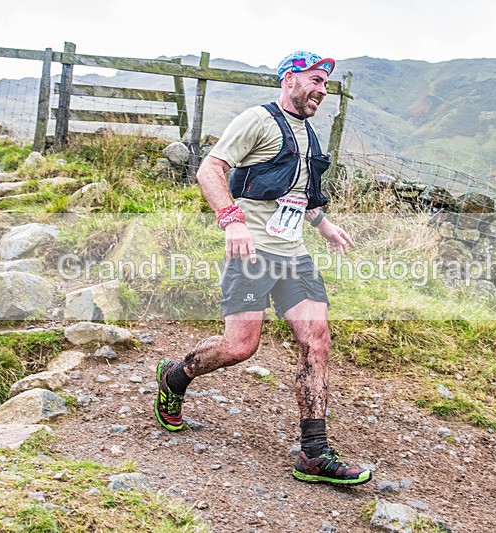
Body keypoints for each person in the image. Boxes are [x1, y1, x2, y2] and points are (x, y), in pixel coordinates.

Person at [154, 51, 372, 486]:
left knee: (317, 339)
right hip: (251, 255)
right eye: (315, 81)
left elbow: (297, 194)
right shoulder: (257, 120)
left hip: (294, 256)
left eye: (326, 85)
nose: (322, 91)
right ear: (290, 79)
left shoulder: (309, 136)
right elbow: (210, 169)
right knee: (240, 347)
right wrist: (231, 221)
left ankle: (314, 453)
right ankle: (175, 377)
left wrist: (325, 227)